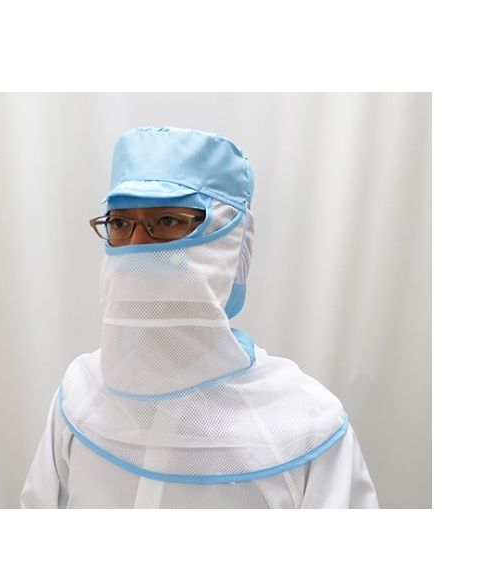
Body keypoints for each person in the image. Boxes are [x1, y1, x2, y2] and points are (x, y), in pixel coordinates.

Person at [20, 126, 379, 509]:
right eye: (120, 223)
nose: (137, 247)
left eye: (168, 221)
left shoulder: (305, 425)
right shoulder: (80, 395)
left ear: (233, 242)